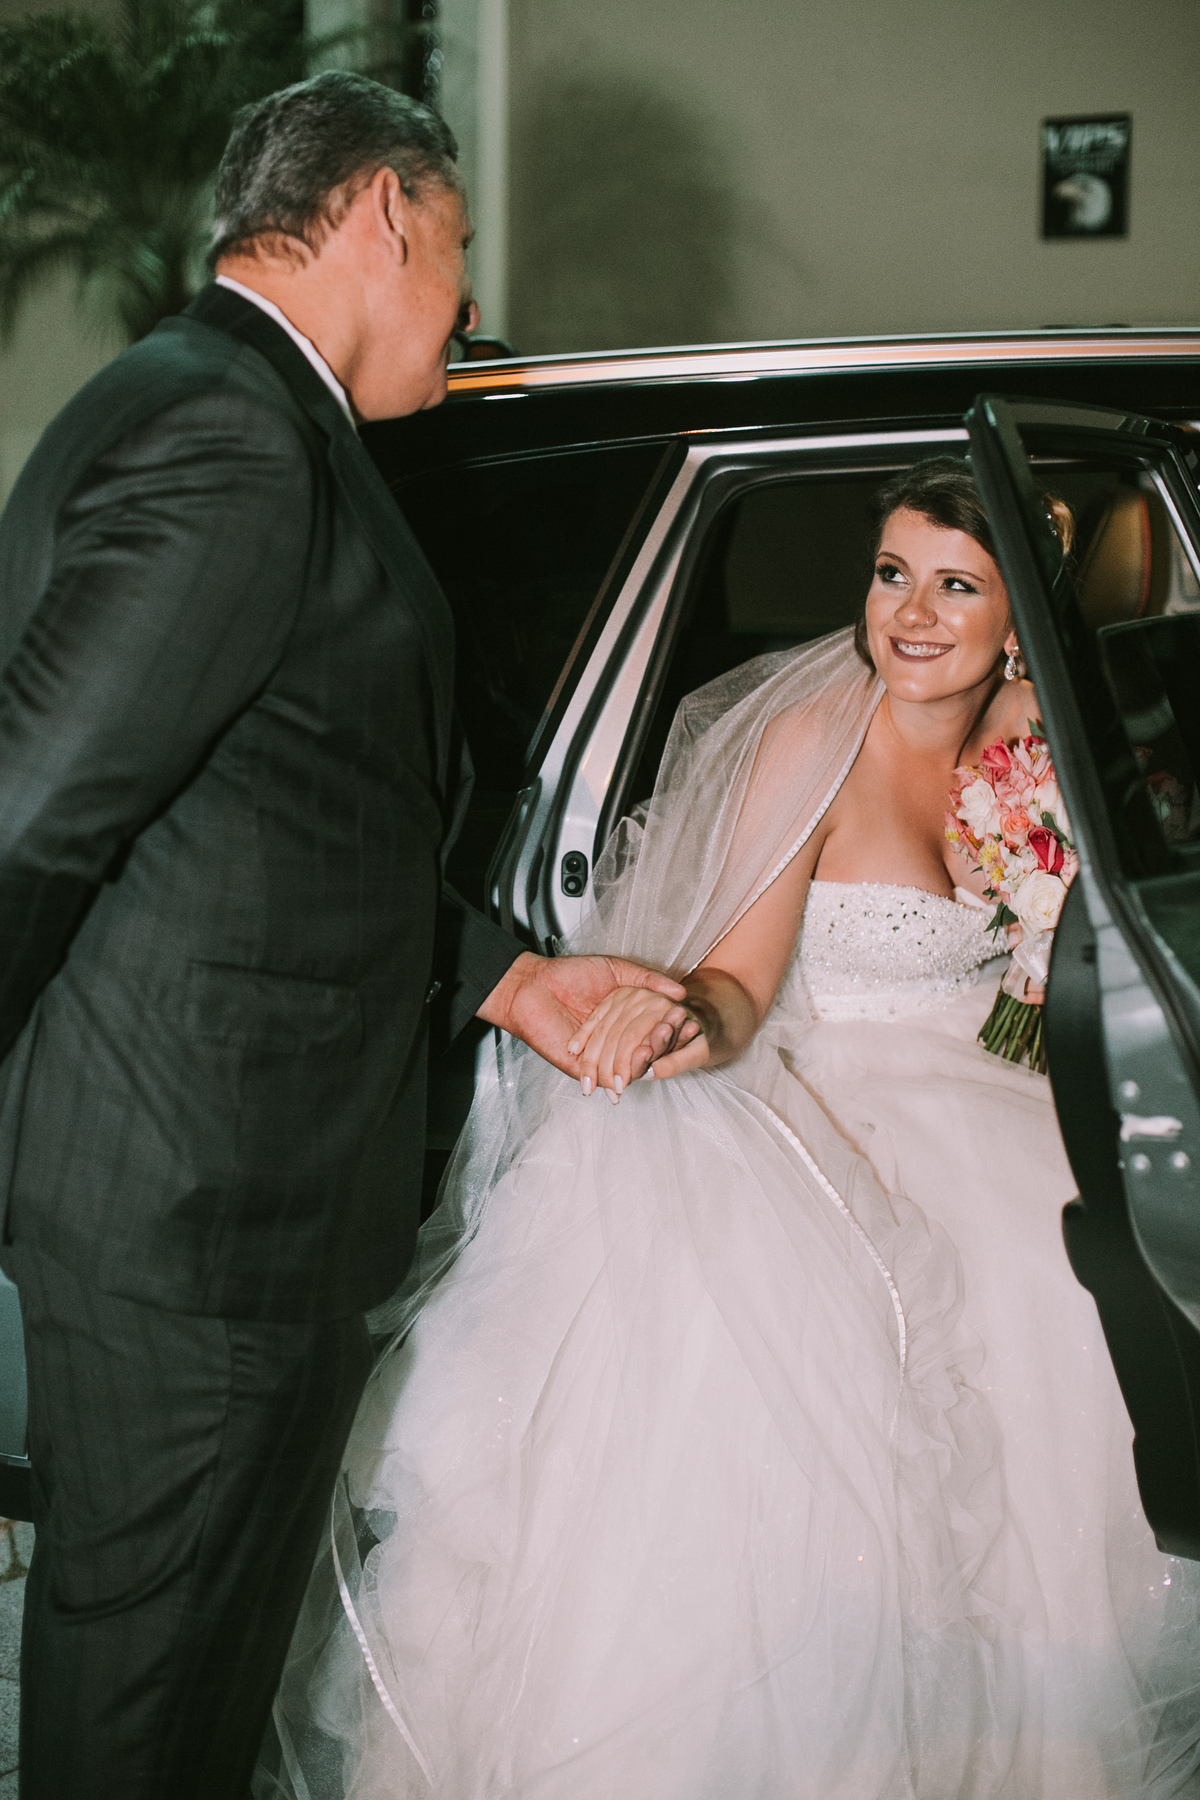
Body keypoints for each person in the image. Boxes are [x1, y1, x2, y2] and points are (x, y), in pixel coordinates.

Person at [262, 459, 1200, 1799]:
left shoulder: (1044, 742)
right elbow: (739, 984)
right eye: (892, 574)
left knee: (1075, 1282)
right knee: (818, 1340)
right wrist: (680, 1021)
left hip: (996, 1087)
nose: (912, 614)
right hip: (824, 1073)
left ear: (1017, 619)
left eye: (956, 586)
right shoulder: (813, 737)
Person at [0, 73, 687, 1800]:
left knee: (186, 1689)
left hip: (217, 1199)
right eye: (460, 246)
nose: (468, 300)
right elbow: (27, 816)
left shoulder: (211, 402)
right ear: (386, 211)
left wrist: (511, 978)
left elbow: (282, 820)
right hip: (194, 1221)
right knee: (148, 1697)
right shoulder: (232, 435)